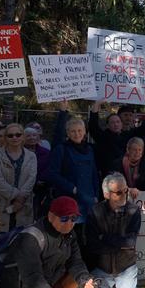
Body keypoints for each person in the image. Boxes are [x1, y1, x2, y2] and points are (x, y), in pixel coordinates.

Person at [86, 173, 141, 288]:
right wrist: (120, 244)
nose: (124, 195)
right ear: (106, 194)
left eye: (125, 191)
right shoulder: (95, 212)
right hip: (102, 269)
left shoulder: (134, 210)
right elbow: (92, 245)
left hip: (127, 267)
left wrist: (104, 237)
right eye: (118, 192)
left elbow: (131, 242)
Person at [47, 105, 99, 247]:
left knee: (87, 239)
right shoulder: (61, 149)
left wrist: (96, 194)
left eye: (79, 130)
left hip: (88, 201)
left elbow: (94, 174)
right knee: (68, 239)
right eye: (73, 131)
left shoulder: (89, 150)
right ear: (68, 133)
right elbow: (52, 174)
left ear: (84, 132)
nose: (77, 134)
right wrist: (72, 188)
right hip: (69, 201)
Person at [0, 123, 37, 232]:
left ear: (23, 136)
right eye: (10, 135)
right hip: (2, 205)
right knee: (1, 243)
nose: (14, 138)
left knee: (21, 243)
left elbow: (31, 179)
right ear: (5, 137)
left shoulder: (31, 156)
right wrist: (16, 195)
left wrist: (22, 198)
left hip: (24, 206)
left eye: (18, 135)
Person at [88, 100, 145, 177]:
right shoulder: (103, 137)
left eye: (118, 122)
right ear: (108, 125)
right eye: (112, 122)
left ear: (121, 123)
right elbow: (93, 127)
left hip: (128, 177)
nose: (116, 124)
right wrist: (97, 104)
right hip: (110, 177)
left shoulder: (128, 135)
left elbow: (144, 127)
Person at [24, 126, 51, 219]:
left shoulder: (46, 153)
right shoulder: (18, 153)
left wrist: (40, 180)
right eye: (28, 136)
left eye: (34, 135)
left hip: (41, 190)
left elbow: (49, 169)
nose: (32, 137)